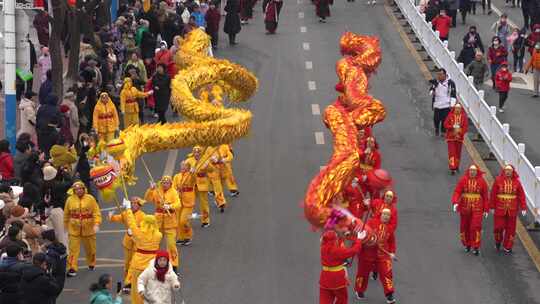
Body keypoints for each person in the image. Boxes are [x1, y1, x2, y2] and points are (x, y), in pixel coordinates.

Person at [354, 209, 397, 303]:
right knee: (363, 273)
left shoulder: (390, 229)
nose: (386, 216)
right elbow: (362, 233)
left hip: (383, 256)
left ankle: (389, 294)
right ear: (380, 214)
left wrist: (392, 252)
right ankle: (359, 290)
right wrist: (362, 235)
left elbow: (392, 242)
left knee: (387, 274)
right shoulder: (370, 222)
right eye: (384, 214)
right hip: (367, 254)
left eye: (388, 215)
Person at [121, 209, 162, 304]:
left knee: (136, 289)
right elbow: (143, 242)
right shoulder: (159, 235)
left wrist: (128, 210)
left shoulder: (139, 233)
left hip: (138, 265)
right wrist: (133, 236)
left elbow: (131, 223)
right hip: (151, 266)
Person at [64, 181, 102, 277]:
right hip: (74, 228)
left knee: (91, 249)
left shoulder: (91, 199)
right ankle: (72, 268)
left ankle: (91, 263)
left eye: (80, 188)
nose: (78, 191)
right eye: (76, 189)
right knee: (73, 250)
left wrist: (97, 224)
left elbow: (96, 213)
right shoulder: (69, 200)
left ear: (84, 189)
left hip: (89, 228)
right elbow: (66, 214)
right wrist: (65, 227)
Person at [109, 197, 147, 289]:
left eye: (135, 203)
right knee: (127, 263)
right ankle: (127, 279)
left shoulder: (143, 216)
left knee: (133, 264)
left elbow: (144, 229)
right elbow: (119, 218)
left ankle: (130, 282)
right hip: (128, 242)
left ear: (139, 205)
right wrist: (111, 216)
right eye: (132, 203)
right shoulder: (126, 213)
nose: (133, 205)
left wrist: (136, 231)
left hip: (137, 243)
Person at [144, 176, 180, 271]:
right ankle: (155, 263)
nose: (165, 184)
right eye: (163, 183)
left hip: (170, 222)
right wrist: (150, 189)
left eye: (167, 183)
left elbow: (178, 204)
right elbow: (147, 199)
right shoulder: (157, 191)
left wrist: (170, 206)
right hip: (158, 222)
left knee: (171, 245)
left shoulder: (174, 192)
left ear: (170, 184)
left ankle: (173, 265)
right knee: (156, 243)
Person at [452, 165, 489, 255]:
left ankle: (476, 246)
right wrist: (455, 202)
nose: (472, 172)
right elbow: (457, 192)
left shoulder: (482, 182)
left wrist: (486, 209)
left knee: (475, 227)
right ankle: (467, 244)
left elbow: (485, 197)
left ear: (477, 172)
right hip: (465, 208)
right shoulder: (463, 180)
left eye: (474, 170)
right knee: (465, 227)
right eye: (471, 170)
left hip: (478, 208)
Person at [490, 165, 526, 253]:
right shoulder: (498, 180)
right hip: (499, 208)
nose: (508, 172)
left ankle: (508, 246)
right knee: (498, 227)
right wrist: (491, 206)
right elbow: (493, 194)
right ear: (504, 171)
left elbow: (521, 195)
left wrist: (523, 207)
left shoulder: (517, 182)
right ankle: (498, 241)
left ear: (513, 172)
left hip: (512, 209)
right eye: (506, 170)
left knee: (511, 229)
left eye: (510, 170)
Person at [320, 230, 363, 304]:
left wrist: (344, 237)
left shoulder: (323, 247)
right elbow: (353, 251)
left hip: (324, 278)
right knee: (342, 299)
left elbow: (336, 243)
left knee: (325, 300)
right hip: (337, 278)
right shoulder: (337, 250)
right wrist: (359, 239)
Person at [186, 146, 214, 227]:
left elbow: (212, 170)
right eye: (195, 152)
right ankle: (186, 220)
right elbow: (183, 170)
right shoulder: (189, 160)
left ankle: (205, 220)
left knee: (203, 203)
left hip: (202, 183)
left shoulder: (205, 160)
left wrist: (207, 166)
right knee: (189, 203)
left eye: (198, 152)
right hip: (191, 184)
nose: (196, 154)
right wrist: (189, 170)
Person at [173, 161, 196, 245]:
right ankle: (181, 237)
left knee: (183, 220)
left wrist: (193, 173)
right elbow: (173, 187)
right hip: (179, 200)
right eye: (182, 165)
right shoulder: (176, 176)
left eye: (185, 166)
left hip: (188, 201)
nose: (183, 167)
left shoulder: (190, 175)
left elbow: (193, 181)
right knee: (178, 221)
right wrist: (176, 191)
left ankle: (188, 235)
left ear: (188, 167)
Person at [41, 229, 67, 303]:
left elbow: (51, 268)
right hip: (61, 278)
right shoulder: (61, 248)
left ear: (47, 240)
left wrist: (45, 252)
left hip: (54, 279)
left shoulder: (51, 253)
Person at [429, 68, 456, 137]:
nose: (439, 76)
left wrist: (452, 105)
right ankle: (437, 129)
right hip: (437, 104)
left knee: (445, 119)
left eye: (441, 74)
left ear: (445, 75)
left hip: (446, 105)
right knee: (436, 119)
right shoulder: (436, 82)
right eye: (438, 74)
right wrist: (433, 92)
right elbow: (431, 91)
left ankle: (443, 131)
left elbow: (453, 95)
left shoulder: (450, 83)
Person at [443, 103, 468, 174]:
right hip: (451, 138)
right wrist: (452, 127)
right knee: (452, 153)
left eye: (459, 108)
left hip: (459, 138)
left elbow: (465, 127)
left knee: (458, 153)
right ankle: (452, 167)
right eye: (456, 108)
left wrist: (460, 132)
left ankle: (457, 166)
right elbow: (445, 124)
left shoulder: (463, 117)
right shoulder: (450, 116)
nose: (457, 110)